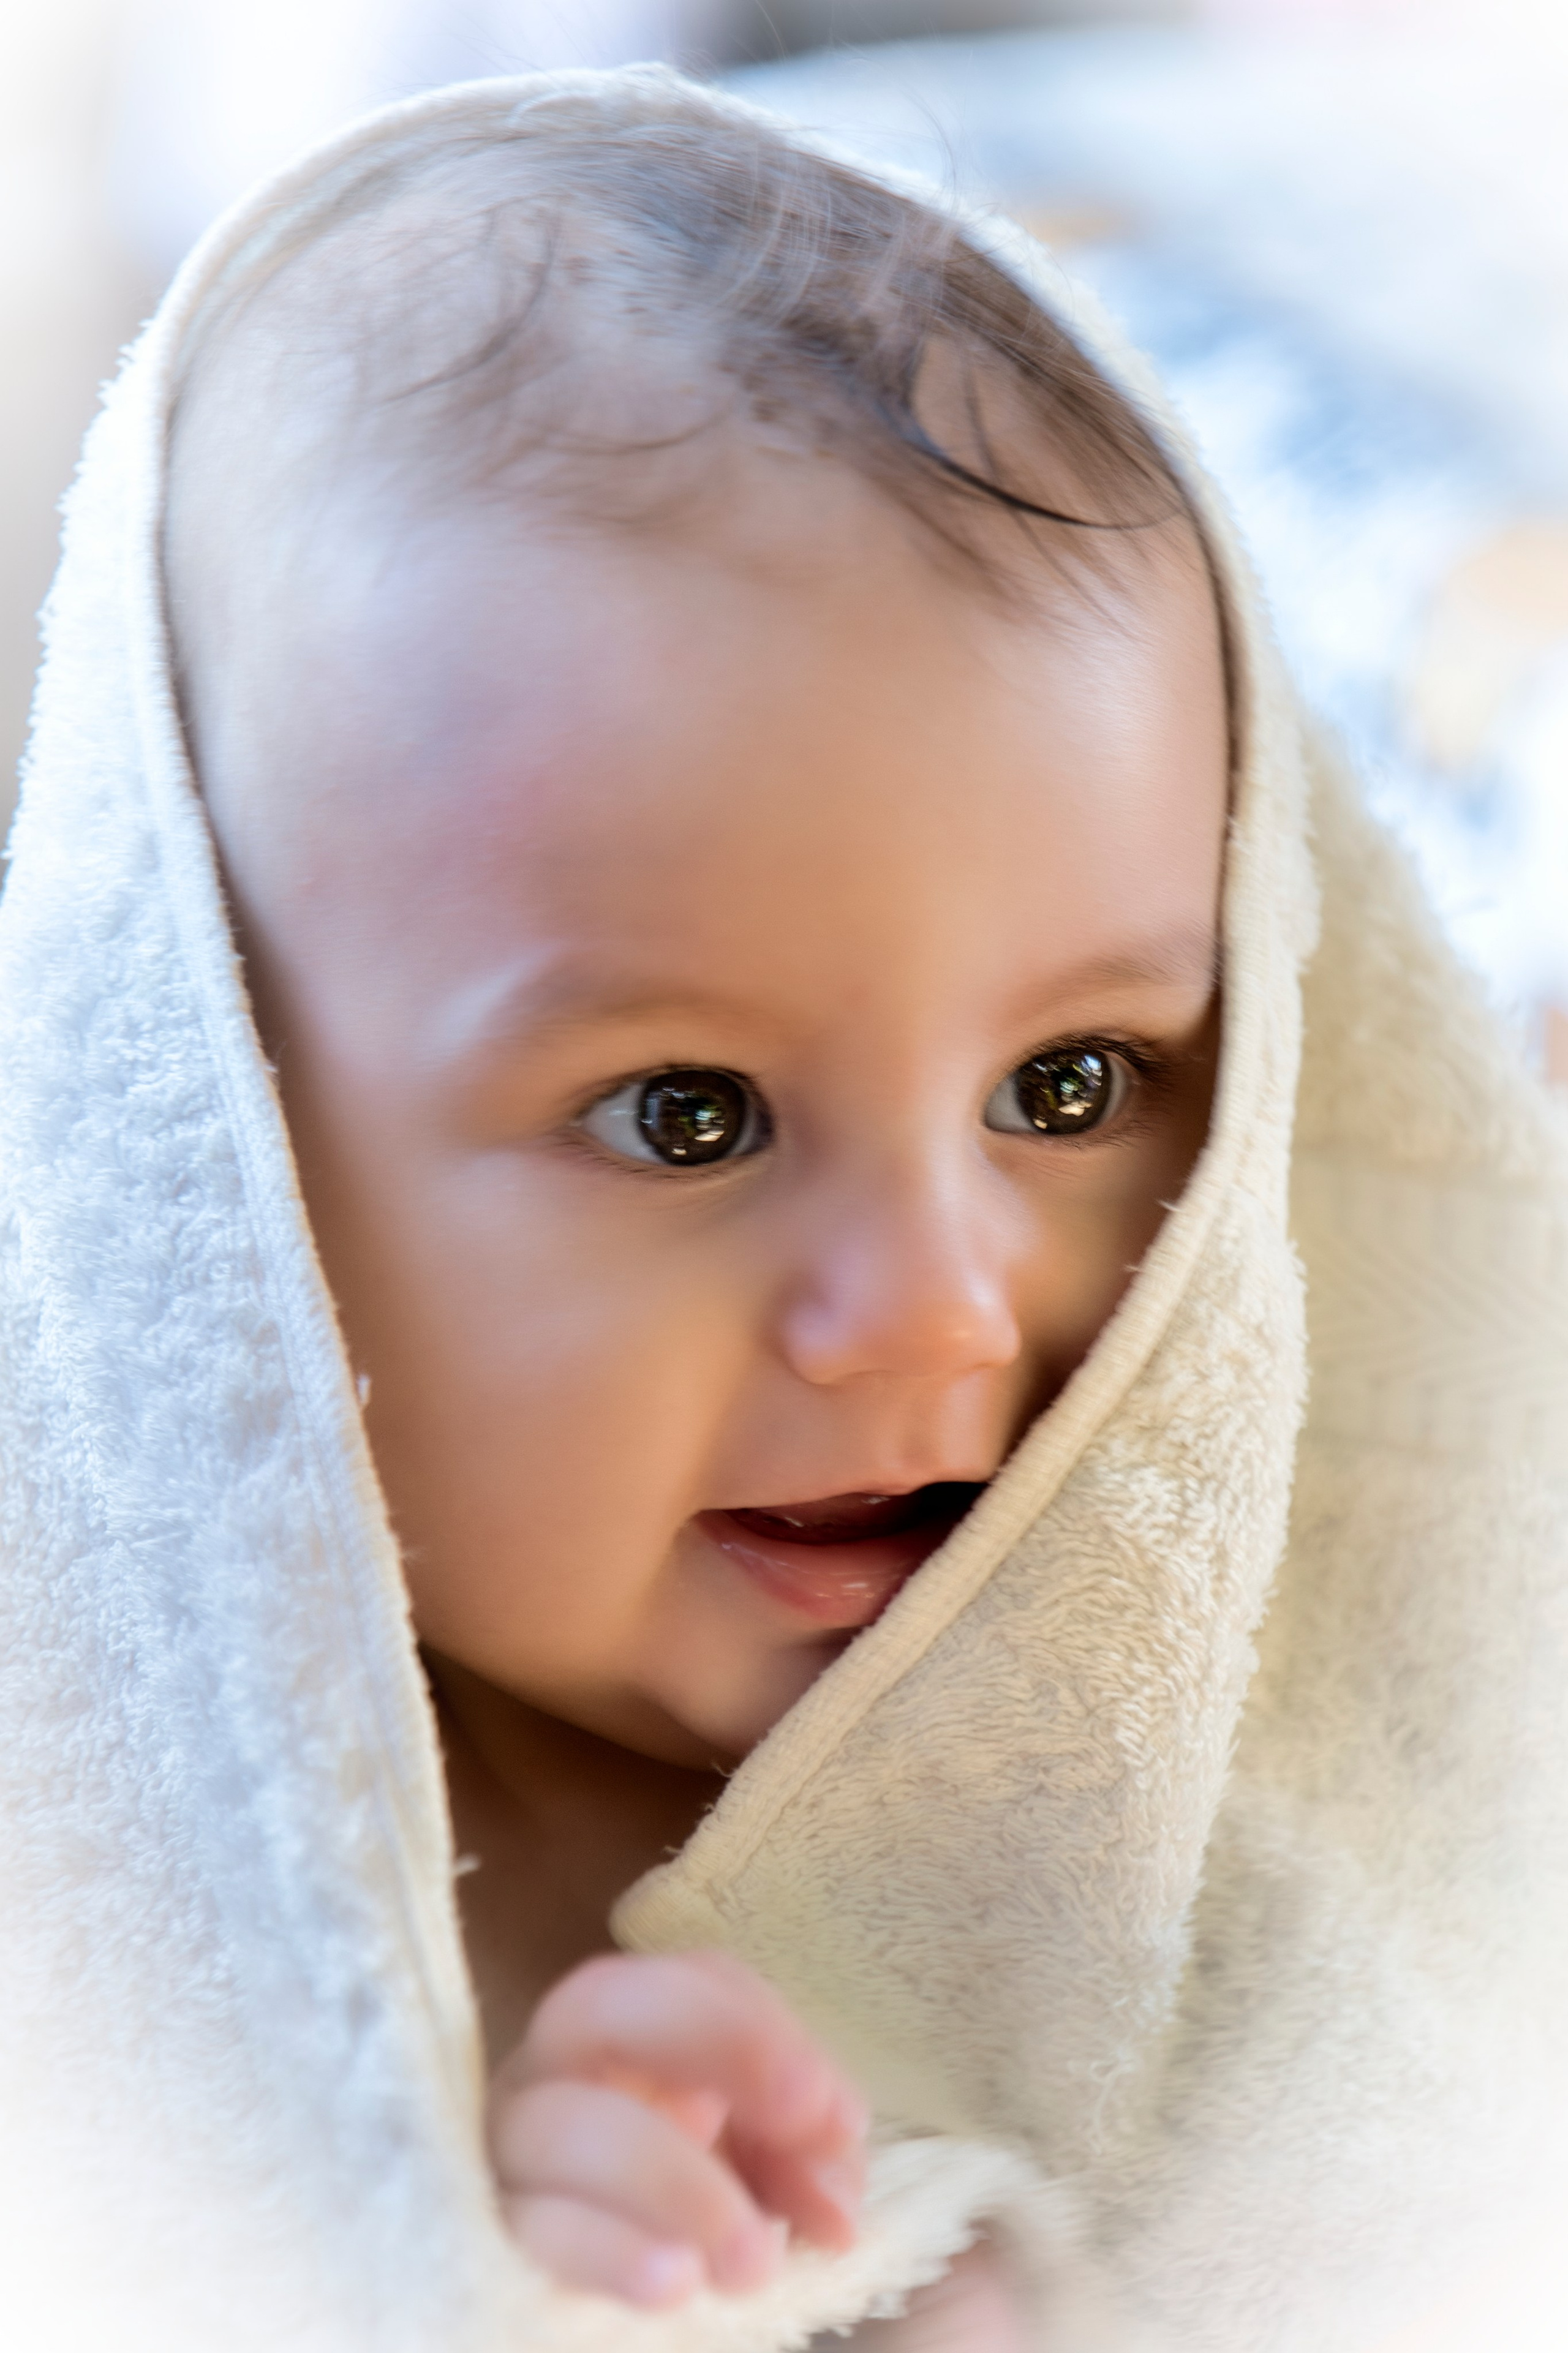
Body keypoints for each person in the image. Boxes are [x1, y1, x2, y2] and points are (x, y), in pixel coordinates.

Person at [4, 66, 1567, 2353]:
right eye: (685, 1117)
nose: (937, 1313)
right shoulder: (104, 1983)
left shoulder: (1353, 1775)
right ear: (200, 1152)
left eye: (1074, 1083)